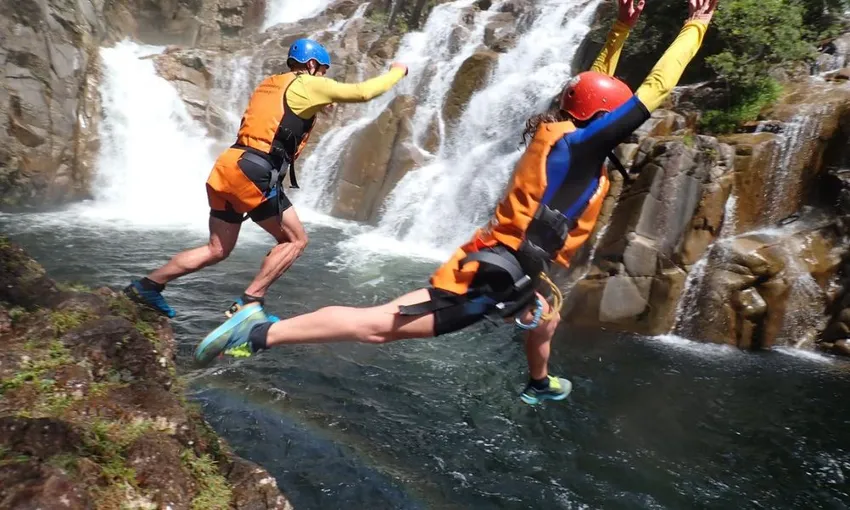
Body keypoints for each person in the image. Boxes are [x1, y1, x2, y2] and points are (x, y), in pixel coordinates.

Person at [193, 0, 718, 406]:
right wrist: (695, 24)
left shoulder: (563, 131)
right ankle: (259, 332)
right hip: (494, 272)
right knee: (378, 326)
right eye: (616, 111)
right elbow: (655, 86)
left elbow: (592, 86)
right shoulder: (584, 147)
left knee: (545, 316)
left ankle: (538, 383)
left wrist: (622, 29)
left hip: (516, 267)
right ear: (604, 119)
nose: (623, 114)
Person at [124, 39, 409, 321]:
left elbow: (279, 115)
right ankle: (251, 302)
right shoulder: (309, 83)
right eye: (322, 71)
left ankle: (147, 286)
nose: (323, 77)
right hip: (254, 173)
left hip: (228, 167)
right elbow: (362, 93)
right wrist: (397, 70)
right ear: (311, 65)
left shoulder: (271, 83)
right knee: (295, 240)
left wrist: (318, 104)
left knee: (217, 249)